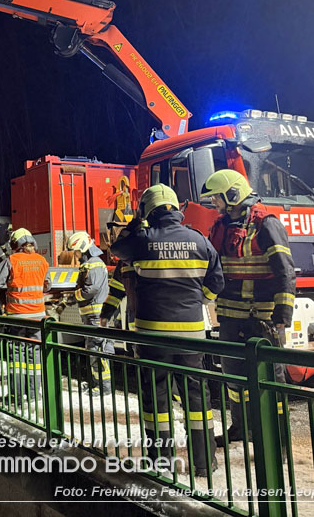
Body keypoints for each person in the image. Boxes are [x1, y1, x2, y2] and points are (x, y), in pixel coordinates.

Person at [111, 184, 224, 476]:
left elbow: (116, 249)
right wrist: (201, 300)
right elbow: (217, 281)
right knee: (197, 399)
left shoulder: (143, 239)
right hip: (192, 337)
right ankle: (204, 463)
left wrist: (136, 222)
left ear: (147, 210)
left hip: (153, 337)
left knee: (156, 400)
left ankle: (160, 464)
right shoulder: (198, 240)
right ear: (177, 208)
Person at [200, 169, 295, 446]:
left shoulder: (266, 224)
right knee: (233, 379)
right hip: (230, 317)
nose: (214, 203)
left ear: (232, 194)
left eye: (216, 198)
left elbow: (285, 272)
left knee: (270, 381)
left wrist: (282, 316)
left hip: (262, 318)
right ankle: (240, 428)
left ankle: (277, 437)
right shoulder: (220, 226)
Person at [0, 228, 51, 408]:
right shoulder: (42, 261)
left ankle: (16, 396)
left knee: (17, 356)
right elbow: (47, 286)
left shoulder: (12, 260)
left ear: (15, 244)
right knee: (35, 355)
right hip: (38, 316)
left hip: (17, 315)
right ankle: (34, 394)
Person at [65, 231, 114, 395]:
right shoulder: (90, 264)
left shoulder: (95, 264)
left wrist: (74, 296)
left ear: (84, 248)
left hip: (96, 316)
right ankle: (96, 383)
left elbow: (90, 289)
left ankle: (103, 388)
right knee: (93, 350)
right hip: (91, 316)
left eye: (77, 251)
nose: (76, 255)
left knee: (99, 350)